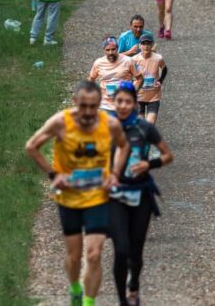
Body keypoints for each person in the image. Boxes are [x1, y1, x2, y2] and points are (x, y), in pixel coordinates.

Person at [25, 80, 130, 306]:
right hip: (69, 199)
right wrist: (54, 175)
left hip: (98, 197)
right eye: (83, 106)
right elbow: (31, 146)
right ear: (75, 102)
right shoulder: (60, 122)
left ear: (99, 104)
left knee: (94, 254)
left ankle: (88, 303)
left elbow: (124, 146)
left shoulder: (110, 124)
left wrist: (115, 174)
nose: (88, 112)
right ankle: (74, 288)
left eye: (93, 106)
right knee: (74, 257)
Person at [107, 81, 173, 306]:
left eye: (128, 102)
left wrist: (149, 164)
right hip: (115, 195)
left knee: (135, 252)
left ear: (135, 104)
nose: (123, 106)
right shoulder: (106, 129)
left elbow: (168, 155)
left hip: (141, 194)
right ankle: (122, 301)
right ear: (113, 103)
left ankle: (133, 284)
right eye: (119, 101)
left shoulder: (145, 129)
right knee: (121, 250)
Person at [89, 37, 143, 114]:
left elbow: (140, 78)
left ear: (117, 48)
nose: (110, 52)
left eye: (113, 49)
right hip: (105, 105)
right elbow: (91, 79)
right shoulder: (98, 63)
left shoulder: (128, 61)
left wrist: (133, 92)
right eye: (107, 50)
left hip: (125, 104)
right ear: (104, 50)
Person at [132, 34, 166, 124]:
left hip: (153, 97)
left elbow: (164, 69)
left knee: (150, 124)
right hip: (139, 97)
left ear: (152, 45)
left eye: (148, 44)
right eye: (143, 44)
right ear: (140, 45)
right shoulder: (134, 60)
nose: (146, 46)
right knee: (140, 125)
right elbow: (129, 75)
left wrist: (160, 81)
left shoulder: (158, 58)